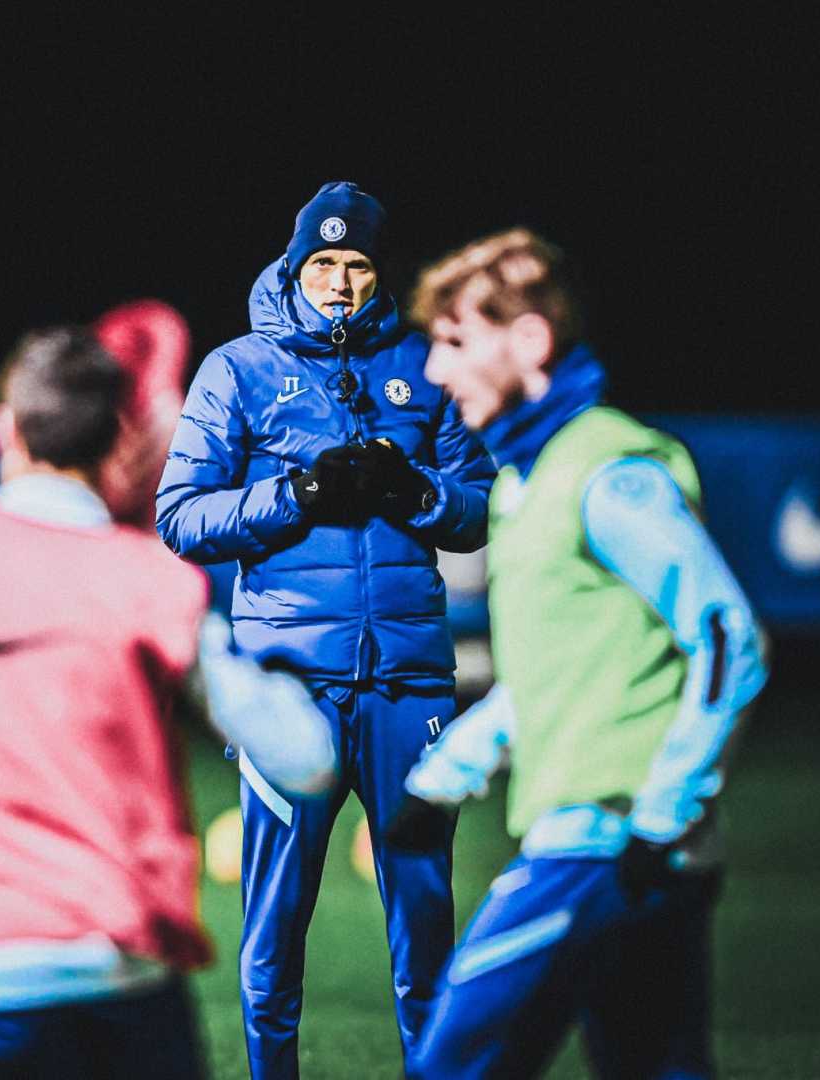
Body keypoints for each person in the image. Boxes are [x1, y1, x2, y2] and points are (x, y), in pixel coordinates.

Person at [0, 325, 339, 1079]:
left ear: (4, 428)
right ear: (123, 441)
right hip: (119, 964)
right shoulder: (155, 580)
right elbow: (306, 758)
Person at [387, 227, 767, 1077]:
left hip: (605, 838)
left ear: (529, 339)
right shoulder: (529, 480)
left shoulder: (607, 472)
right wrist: (446, 775)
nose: (436, 369)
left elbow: (727, 637)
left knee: (453, 1064)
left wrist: (662, 811)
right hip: (630, 846)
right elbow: (557, 671)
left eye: (456, 342)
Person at [155, 181, 497, 1074]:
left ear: (381, 272)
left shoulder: (426, 364)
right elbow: (180, 516)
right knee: (274, 930)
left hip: (409, 685)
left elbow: (480, 506)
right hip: (290, 688)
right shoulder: (238, 369)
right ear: (295, 264)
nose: (339, 282)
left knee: (426, 928)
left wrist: (416, 492)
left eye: (357, 265)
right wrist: (297, 494)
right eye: (323, 263)